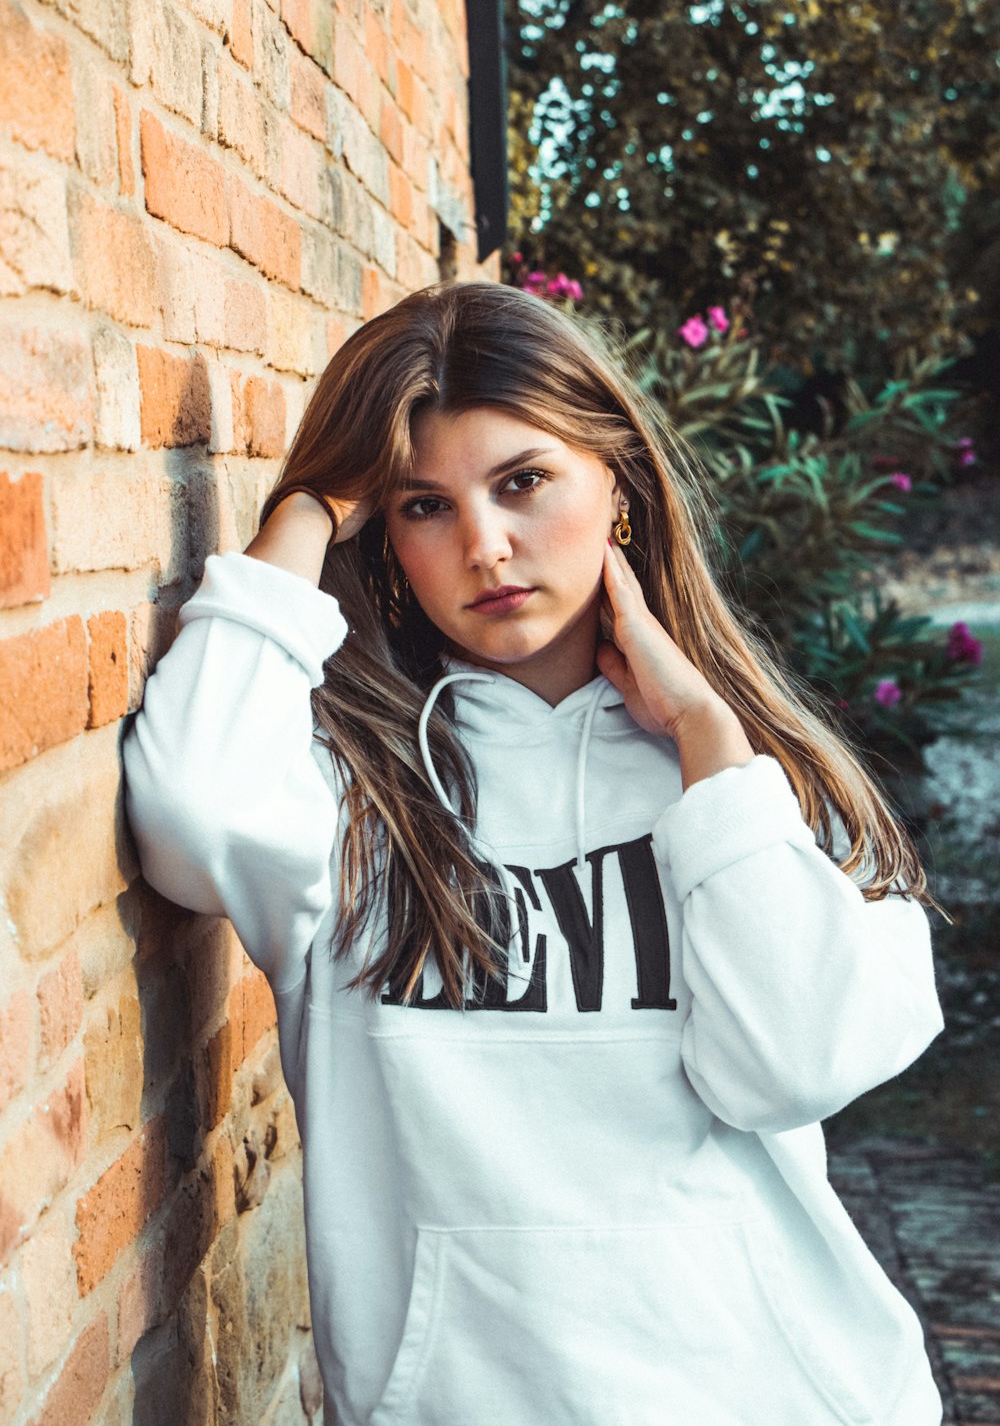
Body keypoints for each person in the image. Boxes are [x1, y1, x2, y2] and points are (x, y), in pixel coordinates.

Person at [123, 278, 946, 1426]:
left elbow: (799, 1064)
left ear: (614, 485)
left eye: (523, 482)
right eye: (421, 507)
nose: (486, 545)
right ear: (383, 540)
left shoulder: (760, 776)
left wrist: (706, 747)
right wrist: (309, 506)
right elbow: (192, 820)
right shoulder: (354, 783)